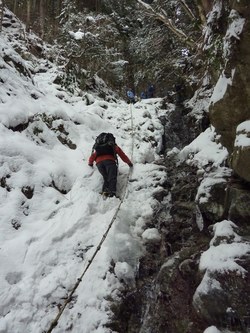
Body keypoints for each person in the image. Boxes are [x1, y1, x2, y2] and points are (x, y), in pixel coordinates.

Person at [88, 133, 133, 198]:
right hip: (110, 161)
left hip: (99, 163)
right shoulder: (112, 145)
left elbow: (92, 156)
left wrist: (90, 163)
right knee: (112, 177)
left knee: (106, 177)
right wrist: (129, 163)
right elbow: (122, 155)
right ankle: (112, 193)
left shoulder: (99, 148)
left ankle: (105, 192)